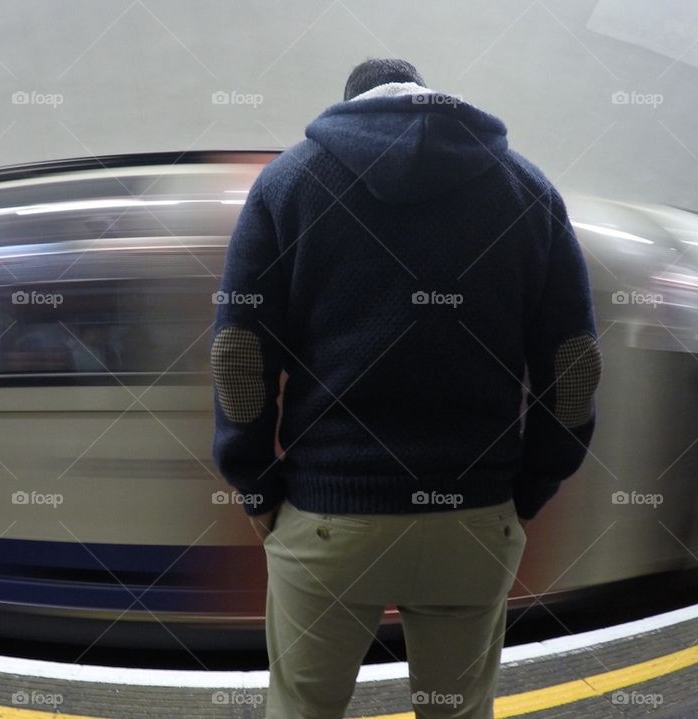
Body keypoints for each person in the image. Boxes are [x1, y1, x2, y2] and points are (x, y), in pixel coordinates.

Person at [210, 58, 602, 719]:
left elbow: (238, 353)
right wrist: (532, 487)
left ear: (350, 106)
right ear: (427, 94)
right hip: (474, 520)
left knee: (303, 708)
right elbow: (575, 364)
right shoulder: (527, 189)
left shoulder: (289, 181)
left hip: (330, 518)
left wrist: (251, 479)